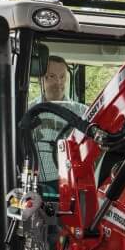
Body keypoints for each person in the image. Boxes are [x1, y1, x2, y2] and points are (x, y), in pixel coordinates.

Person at [29, 55, 87, 191]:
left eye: (62, 77)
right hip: (33, 181)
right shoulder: (27, 109)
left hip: (70, 180)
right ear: (40, 79)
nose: (58, 82)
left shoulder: (81, 112)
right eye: (52, 76)